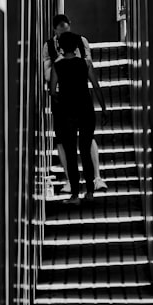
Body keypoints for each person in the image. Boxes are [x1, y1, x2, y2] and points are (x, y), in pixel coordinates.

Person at [44, 14, 107, 203]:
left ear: (61, 48)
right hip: (86, 109)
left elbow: (52, 90)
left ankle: (74, 194)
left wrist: (60, 97)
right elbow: (96, 86)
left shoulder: (58, 66)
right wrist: (103, 109)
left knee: (71, 153)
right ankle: (90, 191)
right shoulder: (85, 64)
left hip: (67, 111)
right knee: (86, 149)